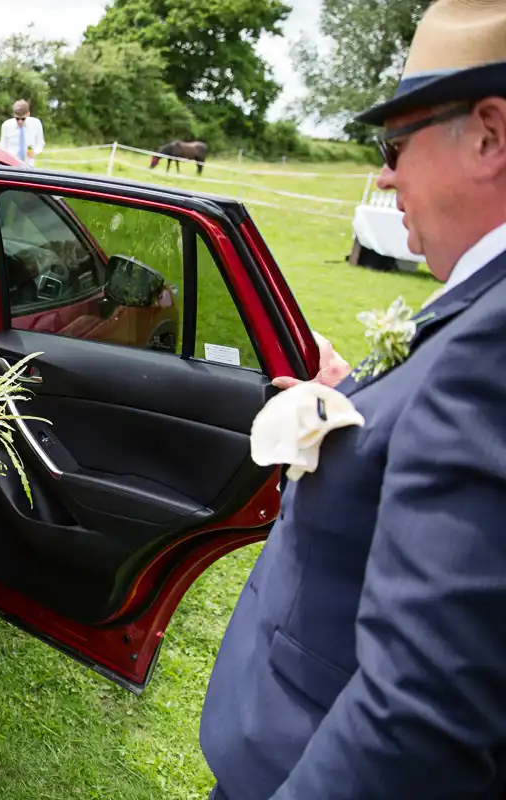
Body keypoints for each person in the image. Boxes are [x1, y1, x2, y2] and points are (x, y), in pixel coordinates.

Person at [199, 2, 506, 798]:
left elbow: (421, 712)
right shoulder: (480, 312)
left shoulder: (495, 346)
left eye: (395, 144)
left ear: (489, 133)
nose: (384, 174)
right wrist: (357, 401)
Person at [0, 100, 44, 166]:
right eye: (17, 118)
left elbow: (40, 144)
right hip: (11, 165)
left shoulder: (36, 124)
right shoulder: (6, 126)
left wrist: (34, 152)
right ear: (13, 114)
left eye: (23, 119)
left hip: (29, 165)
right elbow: (2, 147)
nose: (20, 121)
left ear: (28, 114)